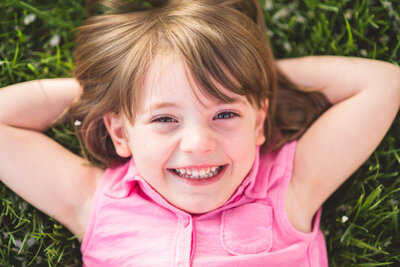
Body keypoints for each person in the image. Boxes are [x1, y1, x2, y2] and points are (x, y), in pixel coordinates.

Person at [0, 0, 399, 265]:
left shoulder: (289, 188)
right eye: (164, 119)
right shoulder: (95, 202)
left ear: (258, 123)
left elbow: (385, 84)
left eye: (224, 113)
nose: (198, 144)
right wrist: (116, 87)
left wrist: (253, 73)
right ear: (120, 133)